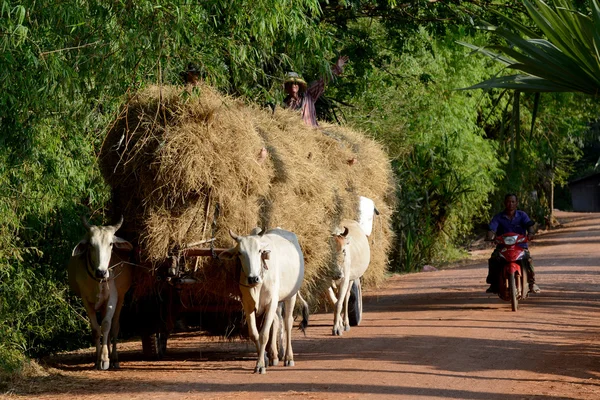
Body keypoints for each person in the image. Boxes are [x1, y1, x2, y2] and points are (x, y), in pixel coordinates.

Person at [485, 193, 541, 294]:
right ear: (504, 203)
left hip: (520, 246)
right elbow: (492, 229)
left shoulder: (522, 215)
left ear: (516, 203)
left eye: (513, 202)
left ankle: (532, 283)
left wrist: (531, 233)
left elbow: (529, 225)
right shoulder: (498, 217)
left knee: (528, 260)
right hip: (503, 247)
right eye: (508, 201)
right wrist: (490, 236)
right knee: (493, 259)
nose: (510, 204)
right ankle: (493, 284)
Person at [283, 56, 349, 127]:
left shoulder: (308, 94)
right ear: (287, 87)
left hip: (312, 132)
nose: (293, 85)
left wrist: (336, 68)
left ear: (299, 85)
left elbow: (322, 81)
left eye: (295, 83)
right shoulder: (286, 103)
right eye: (290, 83)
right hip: (298, 134)